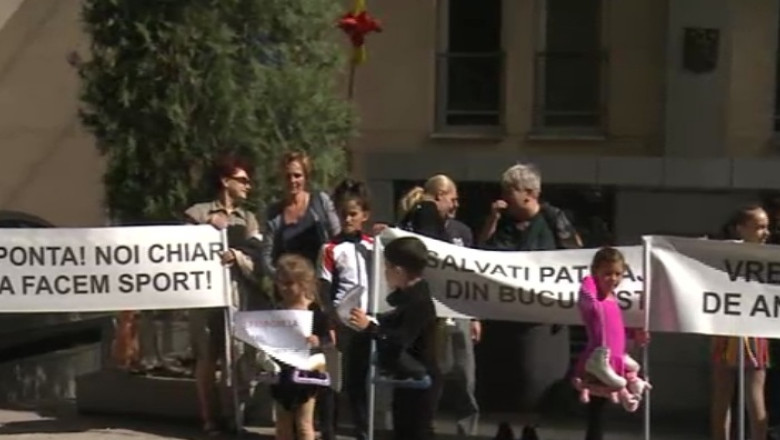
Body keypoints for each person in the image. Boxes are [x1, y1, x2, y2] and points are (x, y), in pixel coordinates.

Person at [477, 163, 581, 438]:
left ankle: (530, 427)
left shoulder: (553, 219)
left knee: (536, 376)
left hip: (542, 320)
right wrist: (492, 220)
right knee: (503, 373)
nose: (503, 197)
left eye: (509, 191)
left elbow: (577, 257)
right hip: (504, 320)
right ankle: (504, 425)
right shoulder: (502, 222)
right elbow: (479, 255)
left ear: (529, 193)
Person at [259, 151, 341, 440]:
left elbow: (336, 239)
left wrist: (316, 280)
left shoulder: (320, 202)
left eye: (297, 175)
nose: (292, 180)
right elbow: (266, 254)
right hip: (288, 297)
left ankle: (327, 429)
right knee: (288, 366)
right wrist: (284, 279)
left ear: (306, 176)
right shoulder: (274, 212)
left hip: (318, 291)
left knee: (321, 364)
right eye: (288, 175)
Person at [183, 154, 260, 436]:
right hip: (203, 299)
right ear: (225, 181)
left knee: (235, 357)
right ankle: (209, 419)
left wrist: (237, 256)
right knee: (206, 358)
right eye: (242, 180)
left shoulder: (248, 219)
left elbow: (256, 260)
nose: (248, 186)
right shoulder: (197, 213)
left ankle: (233, 417)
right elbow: (179, 251)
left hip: (235, 297)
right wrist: (207, 227)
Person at [348, 237, 439, 440]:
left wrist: (370, 327)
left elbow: (400, 339)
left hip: (420, 381)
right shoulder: (407, 298)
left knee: (415, 432)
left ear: (398, 270)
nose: (385, 272)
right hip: (406, 379)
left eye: (387, 267)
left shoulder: (419, 301)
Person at [571, 247, 650, 440]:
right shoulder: (592, 295)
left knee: (600, 413)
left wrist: (634, 334)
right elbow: (586, 295)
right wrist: (590, 282)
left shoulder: (611, 298)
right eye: (607, 273)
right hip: (597, 362)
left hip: (614, 362)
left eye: (618, 274)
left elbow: (615, 329)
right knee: (596, 414)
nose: (613, 279)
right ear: (595, 272)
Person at [318, 179, 374, 440]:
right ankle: (329, 431)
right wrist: (331, 321)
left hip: (365, 321)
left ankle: (363, 431)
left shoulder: (373, 246)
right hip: (340, 323)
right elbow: (324, 289)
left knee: (359, 381)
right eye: (343, 214)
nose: (348, 219)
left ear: (365, 215)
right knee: (334, 380)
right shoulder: (330, 248)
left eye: (353, 214)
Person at [711, 204, 771, 440]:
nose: (766, 232)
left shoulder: (771, 257)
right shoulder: (723, 252)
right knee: (722, 395)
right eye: (759, 227)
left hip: (755, 330)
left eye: (767, 227)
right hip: (726, 330)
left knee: (755, 396)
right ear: (741, 228)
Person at [271, 254, 333, 440]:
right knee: (283, 425)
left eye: (289, 283)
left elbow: (329, 340)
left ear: (304, 284)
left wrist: (317, 341)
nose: (284, 288)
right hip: (282, 372)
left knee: (304, 423)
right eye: (280, 283)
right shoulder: (277, 310)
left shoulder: (315, 311)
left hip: (308, 374)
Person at [435, 209, 481, 436]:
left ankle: (467, 430)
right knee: (435, 372)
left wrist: (474, 316)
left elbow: (472, 274)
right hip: (434, 310)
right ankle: (425, 425)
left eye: (456, 199)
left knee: (465, 374)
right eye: (449, 198)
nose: (454, 204)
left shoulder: (462, 231)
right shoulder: (423, 229)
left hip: (461, 310)